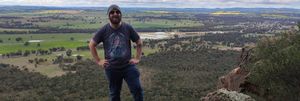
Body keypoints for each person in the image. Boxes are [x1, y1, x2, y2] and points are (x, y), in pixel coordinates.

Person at [89, 4, 143, 101]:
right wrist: (98, 61)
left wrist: (137, 58)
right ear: (108, 15)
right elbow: (91, 44)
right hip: (112, 68)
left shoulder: (127, 28)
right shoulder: (104, 30)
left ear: (120, 14)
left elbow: (139, 43)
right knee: (114, 94)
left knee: (137, 89)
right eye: (112, 12)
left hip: (128, 66)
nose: (115, 14)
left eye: (117, 12)